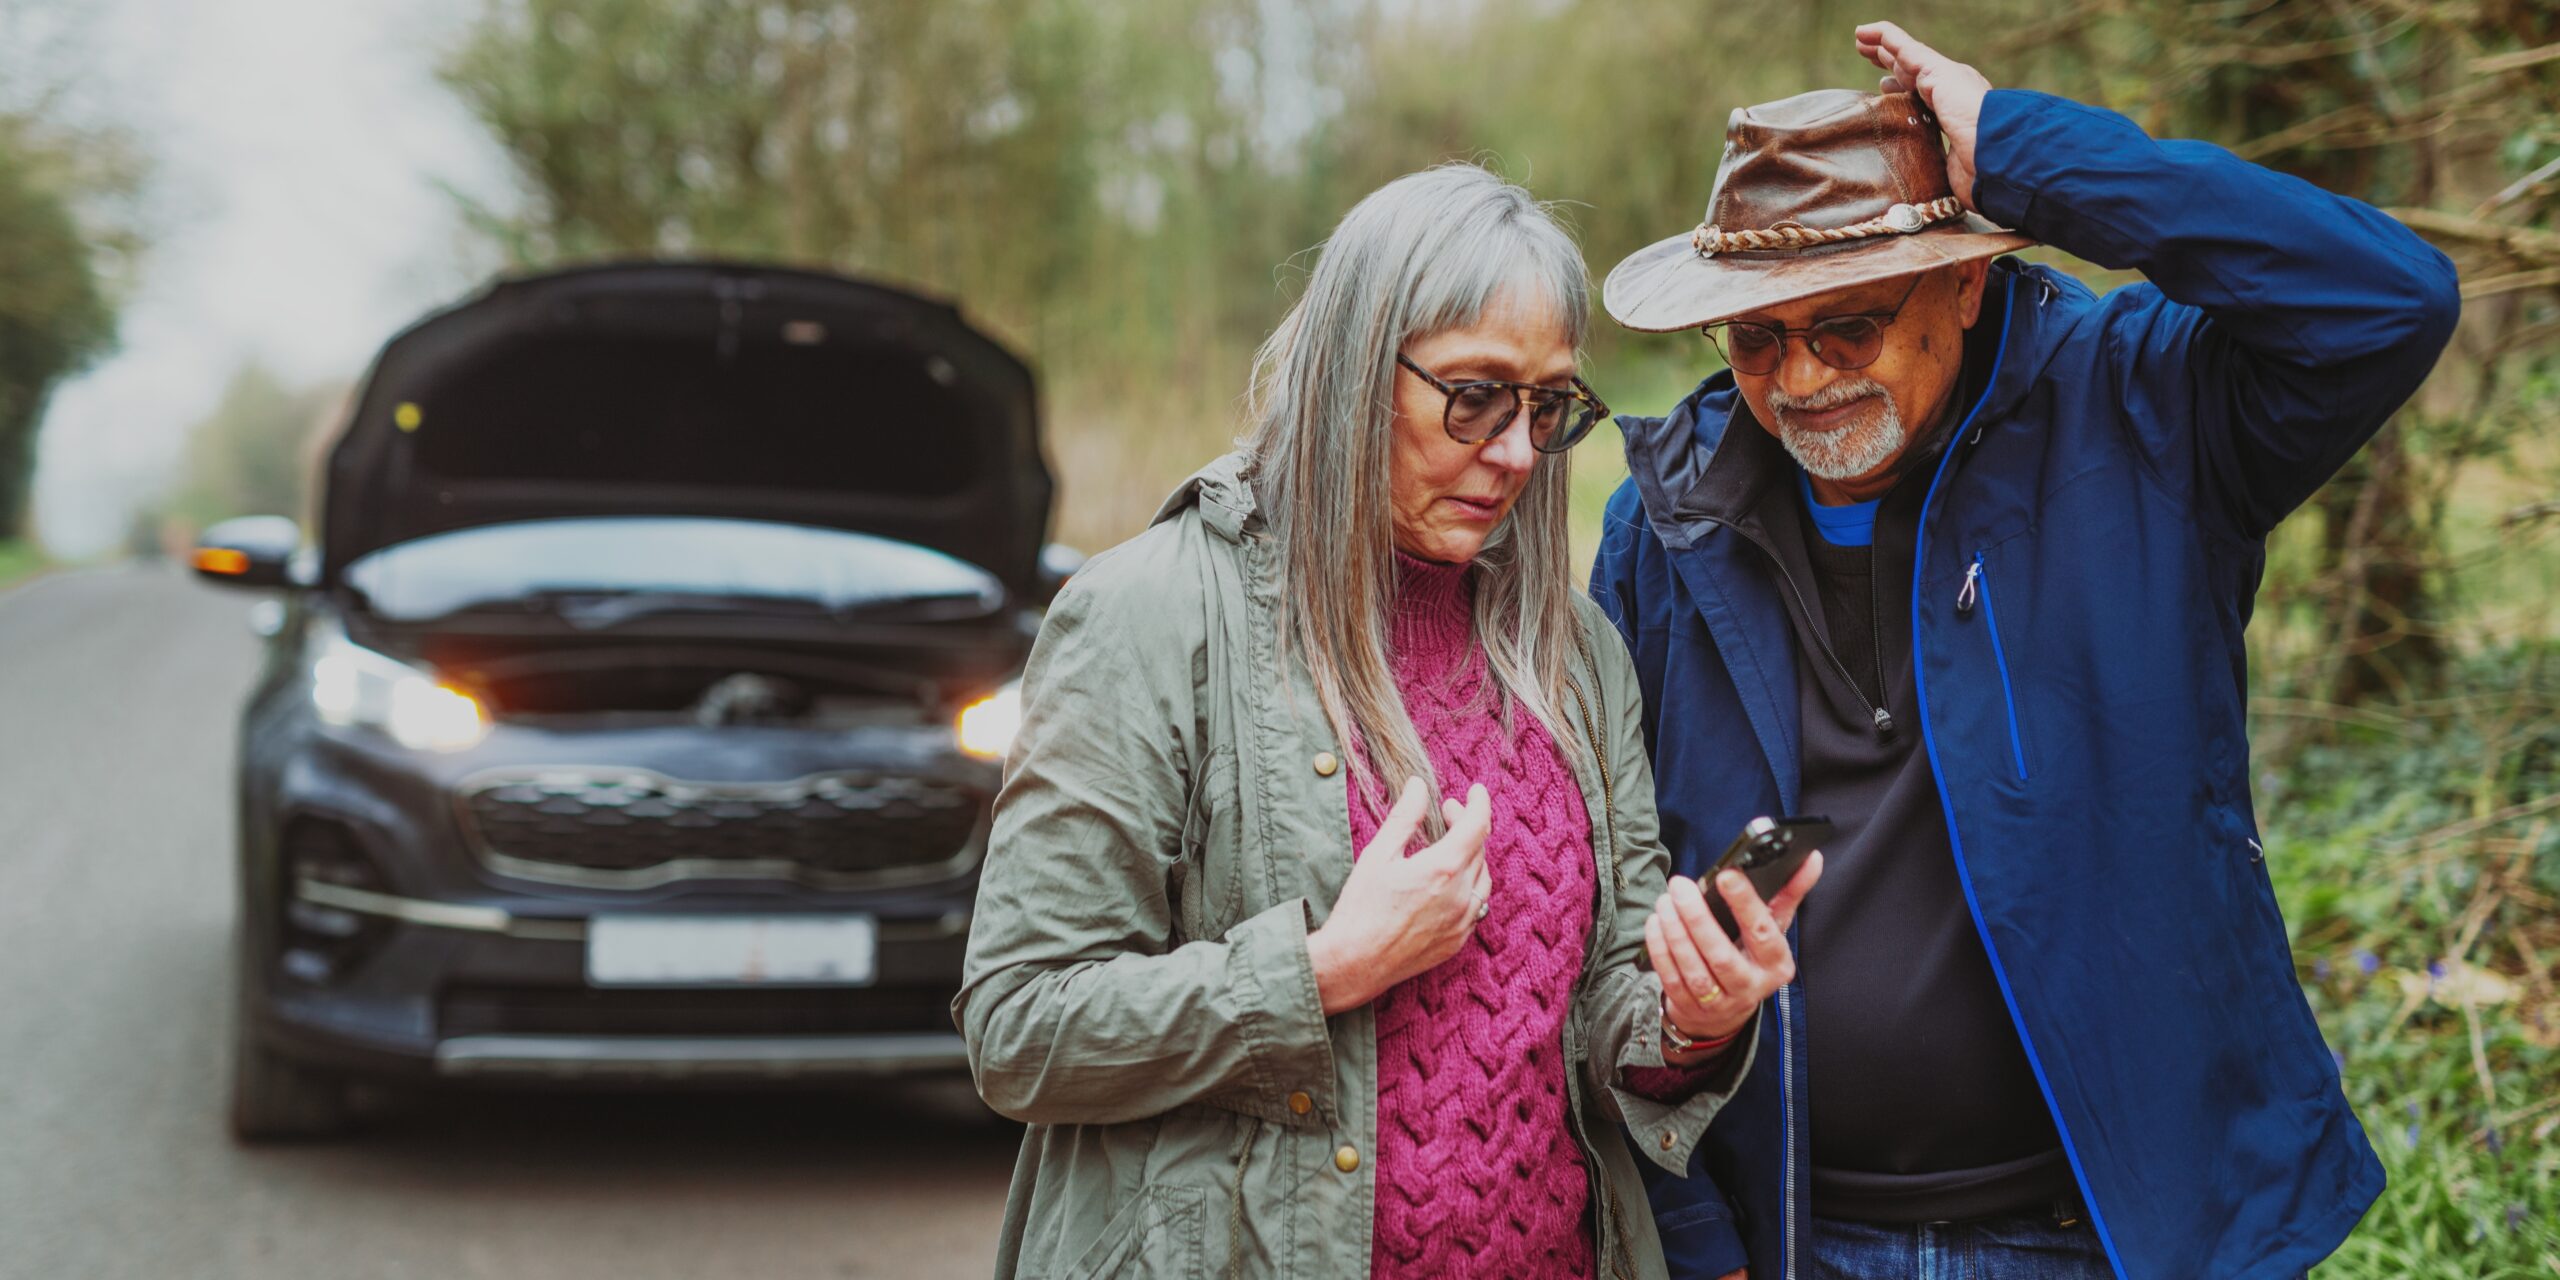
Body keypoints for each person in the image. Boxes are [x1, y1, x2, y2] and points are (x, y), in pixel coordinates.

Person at [1591, 22, 2459, 1280]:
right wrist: (1695, 1234)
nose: (1799, 377)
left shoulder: (2144, 411)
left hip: (2118, 1232)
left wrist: (2032, 153)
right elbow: (1612, 895)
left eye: (1846, 326)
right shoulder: (1659, 522)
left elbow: (2389, 299)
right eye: (1755, 337)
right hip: (1798, 1237)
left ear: (1965, 280)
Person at [956, 162, 1822, 1279]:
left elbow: (1608, 999)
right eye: (1474, 396)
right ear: (1356, 371)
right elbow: (1020, 1026)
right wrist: (1321, 968)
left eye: (1548, 405)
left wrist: (1693, 1018)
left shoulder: (1571, 650)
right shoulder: (1149, 615)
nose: (1515, 451)